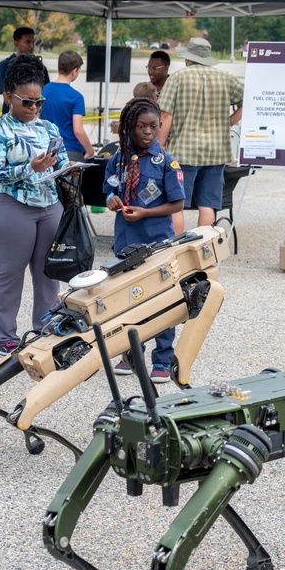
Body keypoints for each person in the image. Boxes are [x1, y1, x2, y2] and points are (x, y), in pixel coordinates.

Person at [0, 54, 67, 356]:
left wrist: (69, 168)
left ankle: (46, 331)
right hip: (12, 208)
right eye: (27, 102)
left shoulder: (50, 128)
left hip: (50, 207)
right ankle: (3, 336)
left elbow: (63, 162)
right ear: (8, 96)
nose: (34, 108)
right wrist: (29, 168)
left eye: (38, 102)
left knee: (48, 275)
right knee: (10, 272)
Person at [104, 97, 185, 383]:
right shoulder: (118, 159)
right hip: (126, 242)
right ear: (130, 127)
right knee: (129, 299)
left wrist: (146, 212)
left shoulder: (167, 163)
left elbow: (177, 204)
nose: (148, 132)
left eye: (153, 126)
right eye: (141, 126)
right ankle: (130, 352)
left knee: (163, 300)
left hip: (157, 243)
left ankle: (162, 359)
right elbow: (109, 189)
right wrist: (111, 200)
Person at [158, 37, 243, 233]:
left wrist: (159, 147)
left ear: (188, 58)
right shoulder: (226, 77)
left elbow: (166, 115)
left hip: (183, 151)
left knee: (176, 203)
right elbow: (248, 100)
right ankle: (202, 250)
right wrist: (230, 121)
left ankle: (176, 248)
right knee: (207, 204)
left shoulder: (177, 78)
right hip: (216, 151)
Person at [40, 50, 93, 208]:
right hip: (71, 152)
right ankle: (71, 232)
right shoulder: (75, 97)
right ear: (75, 70)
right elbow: (78, 129)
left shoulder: (43, 90)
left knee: (52, 199)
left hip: (49, 152)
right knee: (72, 200)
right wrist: (89, 150)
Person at [0, 27, 48, 115]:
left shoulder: (40, 67)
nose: (32, 46)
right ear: (17, 44)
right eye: (27, 42)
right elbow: (7, 97)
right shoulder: (4, 66)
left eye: (33, 42)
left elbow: (45, 94)